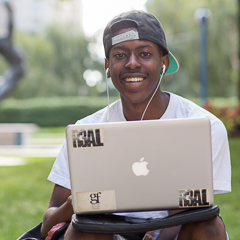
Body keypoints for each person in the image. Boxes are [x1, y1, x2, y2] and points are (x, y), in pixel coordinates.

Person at [40, 10, 231, 240]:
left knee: (207, 225)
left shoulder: (205, 127)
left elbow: (192, 215)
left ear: (163, 63)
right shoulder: (86, 132)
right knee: (87, 226)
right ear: (107, 67)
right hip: (107, 233)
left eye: (144, 53)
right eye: (120, 55)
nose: (132, 63)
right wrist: (76, 204)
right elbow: (47, 224)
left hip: (174, 232)